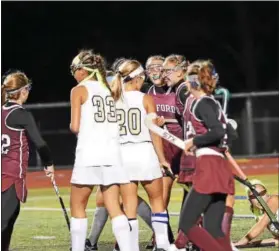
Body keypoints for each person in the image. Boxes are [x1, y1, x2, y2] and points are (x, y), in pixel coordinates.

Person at [69, 49, 133, 251]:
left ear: (82, 70)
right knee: (114, 207)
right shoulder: (109, 88)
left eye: (74, 69)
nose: (73, 74)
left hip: (89, 153)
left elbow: (75, 126)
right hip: (112, 153)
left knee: (78, 206)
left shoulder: (79, 90)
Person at [85, 67, 154, 251]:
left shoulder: (112, 96)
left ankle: (154, 237)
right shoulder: (111, 94)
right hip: (121, 151)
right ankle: (95, 242)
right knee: (111, 198)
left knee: (117, 198)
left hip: (118, 153)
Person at [111, 59, 171, 251]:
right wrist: (162, 159)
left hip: (123, 155)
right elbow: (154, 132)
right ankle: (162, 244)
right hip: (144, 152)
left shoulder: (112, 99)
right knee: (157, 201)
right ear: (137, 78)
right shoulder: (146, 98)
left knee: (129, 205)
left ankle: (130, 247)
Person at [176, 60, 235, 251]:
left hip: (209, 167)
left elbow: (217, 131)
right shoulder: (212, 103)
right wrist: (200, 144)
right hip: (218, 165)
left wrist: (194, 142)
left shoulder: (202, 103)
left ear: (193, 82)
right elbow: (229, 134)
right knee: (212, 228)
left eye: (187, 80)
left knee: (186, 223)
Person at [1, 71, 55, 251]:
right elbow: (40, 143)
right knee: (4, 222)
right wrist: (49, 164)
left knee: (7, 222)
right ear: (22, 91)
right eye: (28, 88)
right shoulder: (21, 114)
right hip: (10, 176)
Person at [145, 55, 184, 245]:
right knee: (162, 194)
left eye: (158, 67)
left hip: (182, 146)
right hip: (163, 149)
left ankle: (187, 234)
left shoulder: (178, 89)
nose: (154, 71)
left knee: (189, 192)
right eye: (150, 67)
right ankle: (160, 235)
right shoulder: (148, 93)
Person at [234, 179, 279, 248]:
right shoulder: (258, 212)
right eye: (253, 196)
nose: (259, 198)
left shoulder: (274, 200)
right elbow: (277, 240)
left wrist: (241, 242)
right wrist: (251, 244)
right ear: (250, 200)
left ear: (267, 194)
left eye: (262, 193)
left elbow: (261, 224)